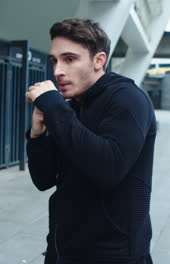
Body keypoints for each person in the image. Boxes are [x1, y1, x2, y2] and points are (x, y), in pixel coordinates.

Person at [24, 18, 156, 264]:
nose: (57, 71)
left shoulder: (128, 99)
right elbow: (43, 180)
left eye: (70, 59)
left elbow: (109, 168)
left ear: (99, 60)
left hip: (113, 254)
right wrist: (37, 133)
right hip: (64, 247)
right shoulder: (72, 108)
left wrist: (54, 106)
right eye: (54, 60)